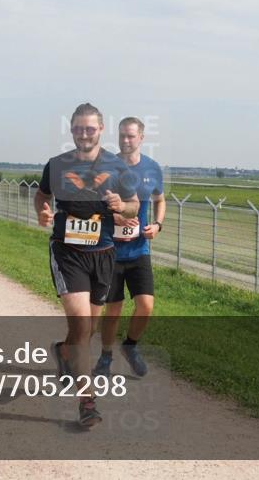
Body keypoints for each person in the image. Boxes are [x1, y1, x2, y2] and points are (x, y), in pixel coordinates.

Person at [34, 103, 138, 428]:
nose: (83, 134)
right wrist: (43, 211)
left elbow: (134, 206)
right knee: (81, 324)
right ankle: (87, 402)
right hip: (67, 252)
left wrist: (124, 205)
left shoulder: (117, 167)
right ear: (71, 130)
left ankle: (65, 351)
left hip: (104, 253)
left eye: (90, 129)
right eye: (78, 128)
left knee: (88, 330)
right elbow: (41, 195)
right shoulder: (57, 165)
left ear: (101, 130)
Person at [94, 117, 165, 378]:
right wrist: (116, 217)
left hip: (139, 250)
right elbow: (94, 205)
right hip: (110, 251)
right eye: (122, 135)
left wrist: (157, 225)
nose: (125, 140)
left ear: (141, 138)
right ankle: (105, 356)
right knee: (113, 309)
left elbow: (160, 200)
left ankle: (130, 346)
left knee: (146, 305)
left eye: (131, 136)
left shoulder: (152, 168)